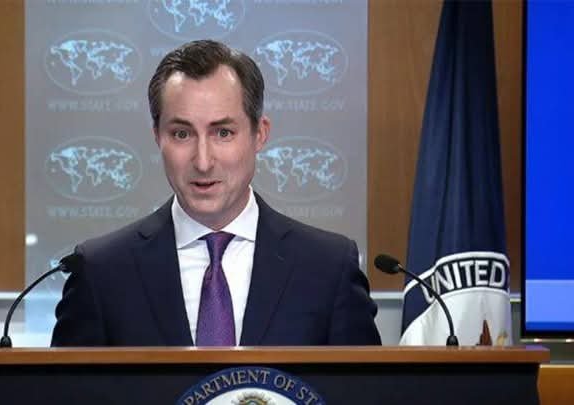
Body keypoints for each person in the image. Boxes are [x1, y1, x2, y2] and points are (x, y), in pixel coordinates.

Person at [51, 40, 381, 346]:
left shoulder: (328, 267)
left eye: (223, 132)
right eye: (181, 134)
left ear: (259, 134)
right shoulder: (101, 270)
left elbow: (361, 385)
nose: (203, 161)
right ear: (157, 137)